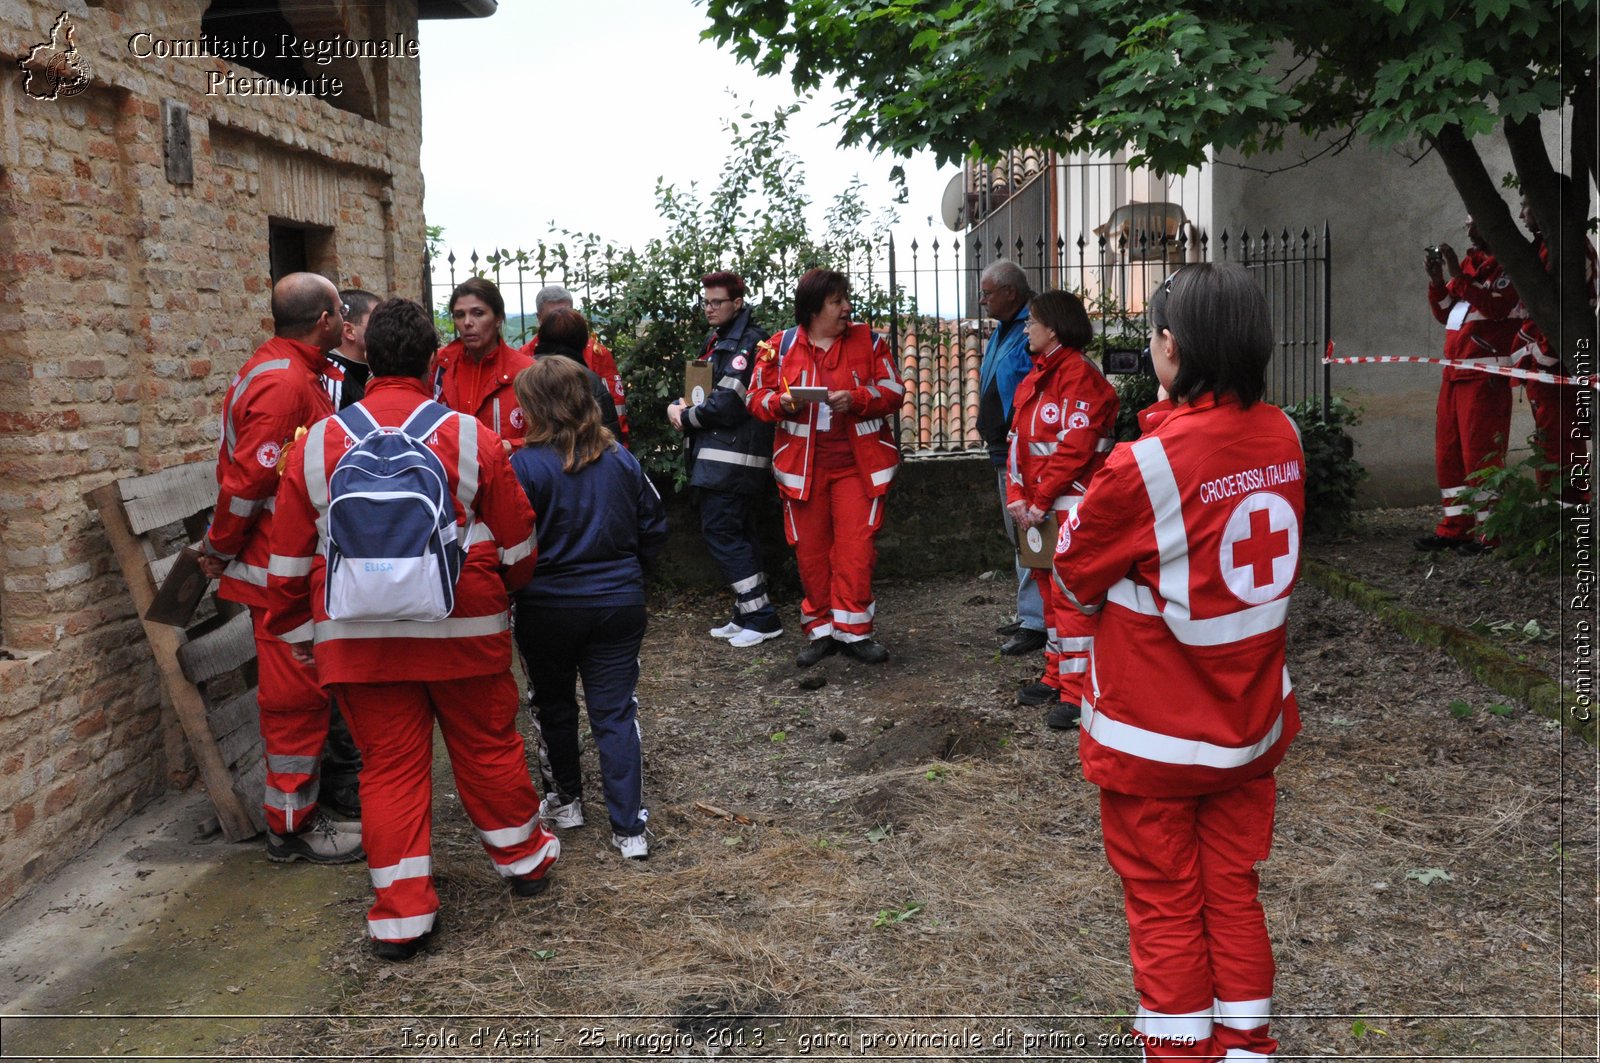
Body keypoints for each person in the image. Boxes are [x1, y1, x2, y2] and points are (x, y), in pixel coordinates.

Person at [1054, 263, 1303, 1062]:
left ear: (1172, 347)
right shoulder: (1286, 436)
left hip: (1154, 736)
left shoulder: (1143, 465)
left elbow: (1074, 566)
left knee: (1164, 900)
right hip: (1250, 726)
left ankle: (1177, 1051)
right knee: (1232, 890)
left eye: (1158, 333)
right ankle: (1246, 1046)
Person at [266, 298, 559, 961]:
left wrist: (298, 634)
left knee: (390, 768)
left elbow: (286, 565)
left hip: (358, 637)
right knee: (487, 747)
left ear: (366, 357)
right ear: (434, 359)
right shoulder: (469, 437)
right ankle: (524, 863)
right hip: (464, 627)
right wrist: (503, 591)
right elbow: (517, 546)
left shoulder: (316, 445)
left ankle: (400, 917)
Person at [196, 271, 361, 864]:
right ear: (324, 321)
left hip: (290, 565)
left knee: (306, 695)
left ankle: (301, 813)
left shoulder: (287, 371)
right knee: (295, 703)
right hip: (279, 573)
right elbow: (247, 484)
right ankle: (292, 829)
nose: (347, 320)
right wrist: (217, 548)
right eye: (342, 311)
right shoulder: (287, 383)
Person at [510, 356, 666, 860]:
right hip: (617, 603)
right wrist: (632, 575)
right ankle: (630, 832)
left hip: (546, 609)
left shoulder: (523, 465)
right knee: (616, 713)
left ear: (532, 406)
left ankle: (566, 802)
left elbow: (511, 541)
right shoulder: (621, 459)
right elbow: (655, 523)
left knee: (552, 705)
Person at [747, 268, 905, 667]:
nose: (846, 308)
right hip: (802, 471)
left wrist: (855, 398)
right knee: (811, 554)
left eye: (845, 299)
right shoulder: (778, 347)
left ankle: (855, 632)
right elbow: (755, 398)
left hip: (859, 467)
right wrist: (779, 404)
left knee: (856, 550)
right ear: (814, 308)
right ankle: (820, 631)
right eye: (837, 301)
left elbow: (894, 391)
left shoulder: (870, 341)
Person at [1004, 290, 1118, 728]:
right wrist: (1018, 495)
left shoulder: (1079, 376)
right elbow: (1020, 444)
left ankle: (1078, 694)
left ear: (1052, 327)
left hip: (1070, 505)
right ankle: (1057, 678)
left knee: (1073, 599)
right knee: (1050, 598)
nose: (1027, 328)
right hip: (1041, 509)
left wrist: (1036, 500)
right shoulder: (1040, 375)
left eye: (1032, 321)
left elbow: (1074, 448)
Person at [667, 271, 782, 647]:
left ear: (737, 303)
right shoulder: (722, 338)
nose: (709, 308)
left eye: (717, 302)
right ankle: (748, 611)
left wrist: (683, 417)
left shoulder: (747, 342)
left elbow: (728, 403)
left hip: (733, 459)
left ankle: (761, 617)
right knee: (739, 534)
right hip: (725, 457)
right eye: (706, 302)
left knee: (723, 533)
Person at [1416, 216, 1525, 551]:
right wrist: (1437, 281)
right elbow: (1447, 310)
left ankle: (1491, 533)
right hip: (1455, 373)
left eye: (1474, 222)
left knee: (1482, 455)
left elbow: (1494, 308)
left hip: (1485, 374)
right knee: (1449, 455)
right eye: (1466, 223)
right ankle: (1455, 527)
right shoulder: (1470, 263)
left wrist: (1458, 276)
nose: (1467, 229)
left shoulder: (1509, 266)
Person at [977, 260, 1049, 658]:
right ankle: (1030, 615)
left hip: (1019, 449)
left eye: (988, 292)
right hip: (1003, 448)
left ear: (1010, 292)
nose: (982, 299)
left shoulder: (1031, 327)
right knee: (1019, 535)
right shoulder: (1007, 327)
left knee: (1028, 533)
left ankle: (1037, 623)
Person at [1512, 188, 1595, 505]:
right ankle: (1554, 503)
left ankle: (1573, 504)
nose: (1522, 215)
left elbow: (1566, 309)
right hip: (1549, 360)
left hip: (1559, 360)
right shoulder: (1548, 248)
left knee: (1566, 438)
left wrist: (1542, 355)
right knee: (1551, 436)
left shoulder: (1567, 250)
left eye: (1526, 206)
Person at [521, 284, 630, 448]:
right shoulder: (523, 356)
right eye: (553, 317)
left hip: (590, 446)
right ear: (539, 318)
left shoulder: (597, 353)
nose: (560, 321)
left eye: (566, 314)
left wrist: (618, 449)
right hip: (539, 447)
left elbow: (615, 407)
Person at [431, 277, 534, 445]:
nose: (467, 323)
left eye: (478, 313)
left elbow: (549, 437)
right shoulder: (439, 365)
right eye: (459, 315)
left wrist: (512, 446)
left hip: (506, 469)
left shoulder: (526, 372)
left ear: (498, 319)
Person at [323, 288, 378, 411]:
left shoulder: (368, 372)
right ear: (349, 331)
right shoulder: (333, 383)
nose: (384, 327)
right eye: (377, 321)